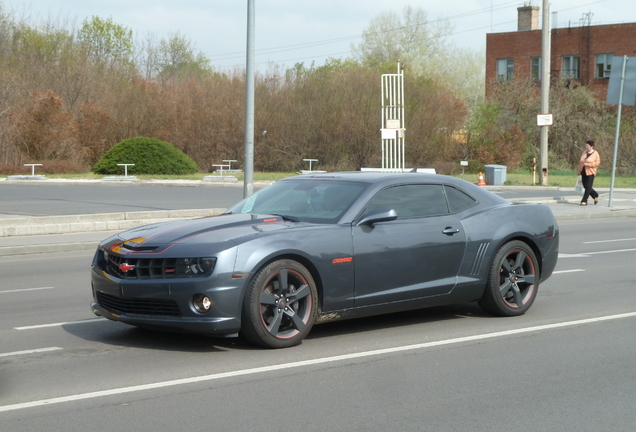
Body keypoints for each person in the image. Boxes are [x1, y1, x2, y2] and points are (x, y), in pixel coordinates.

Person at [577, 139, 600, 206]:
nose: (586, 146)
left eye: (588, 145)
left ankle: (584, 200)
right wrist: (579, 171)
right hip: (583, 171)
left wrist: (589, 165)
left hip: (591, 172)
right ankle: (595, 195)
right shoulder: (584, 152)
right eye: (586, 145)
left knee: (588, 186)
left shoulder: (595, 153)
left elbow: (597, 163)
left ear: (591, 146)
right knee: (585, 186)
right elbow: (581, 162)